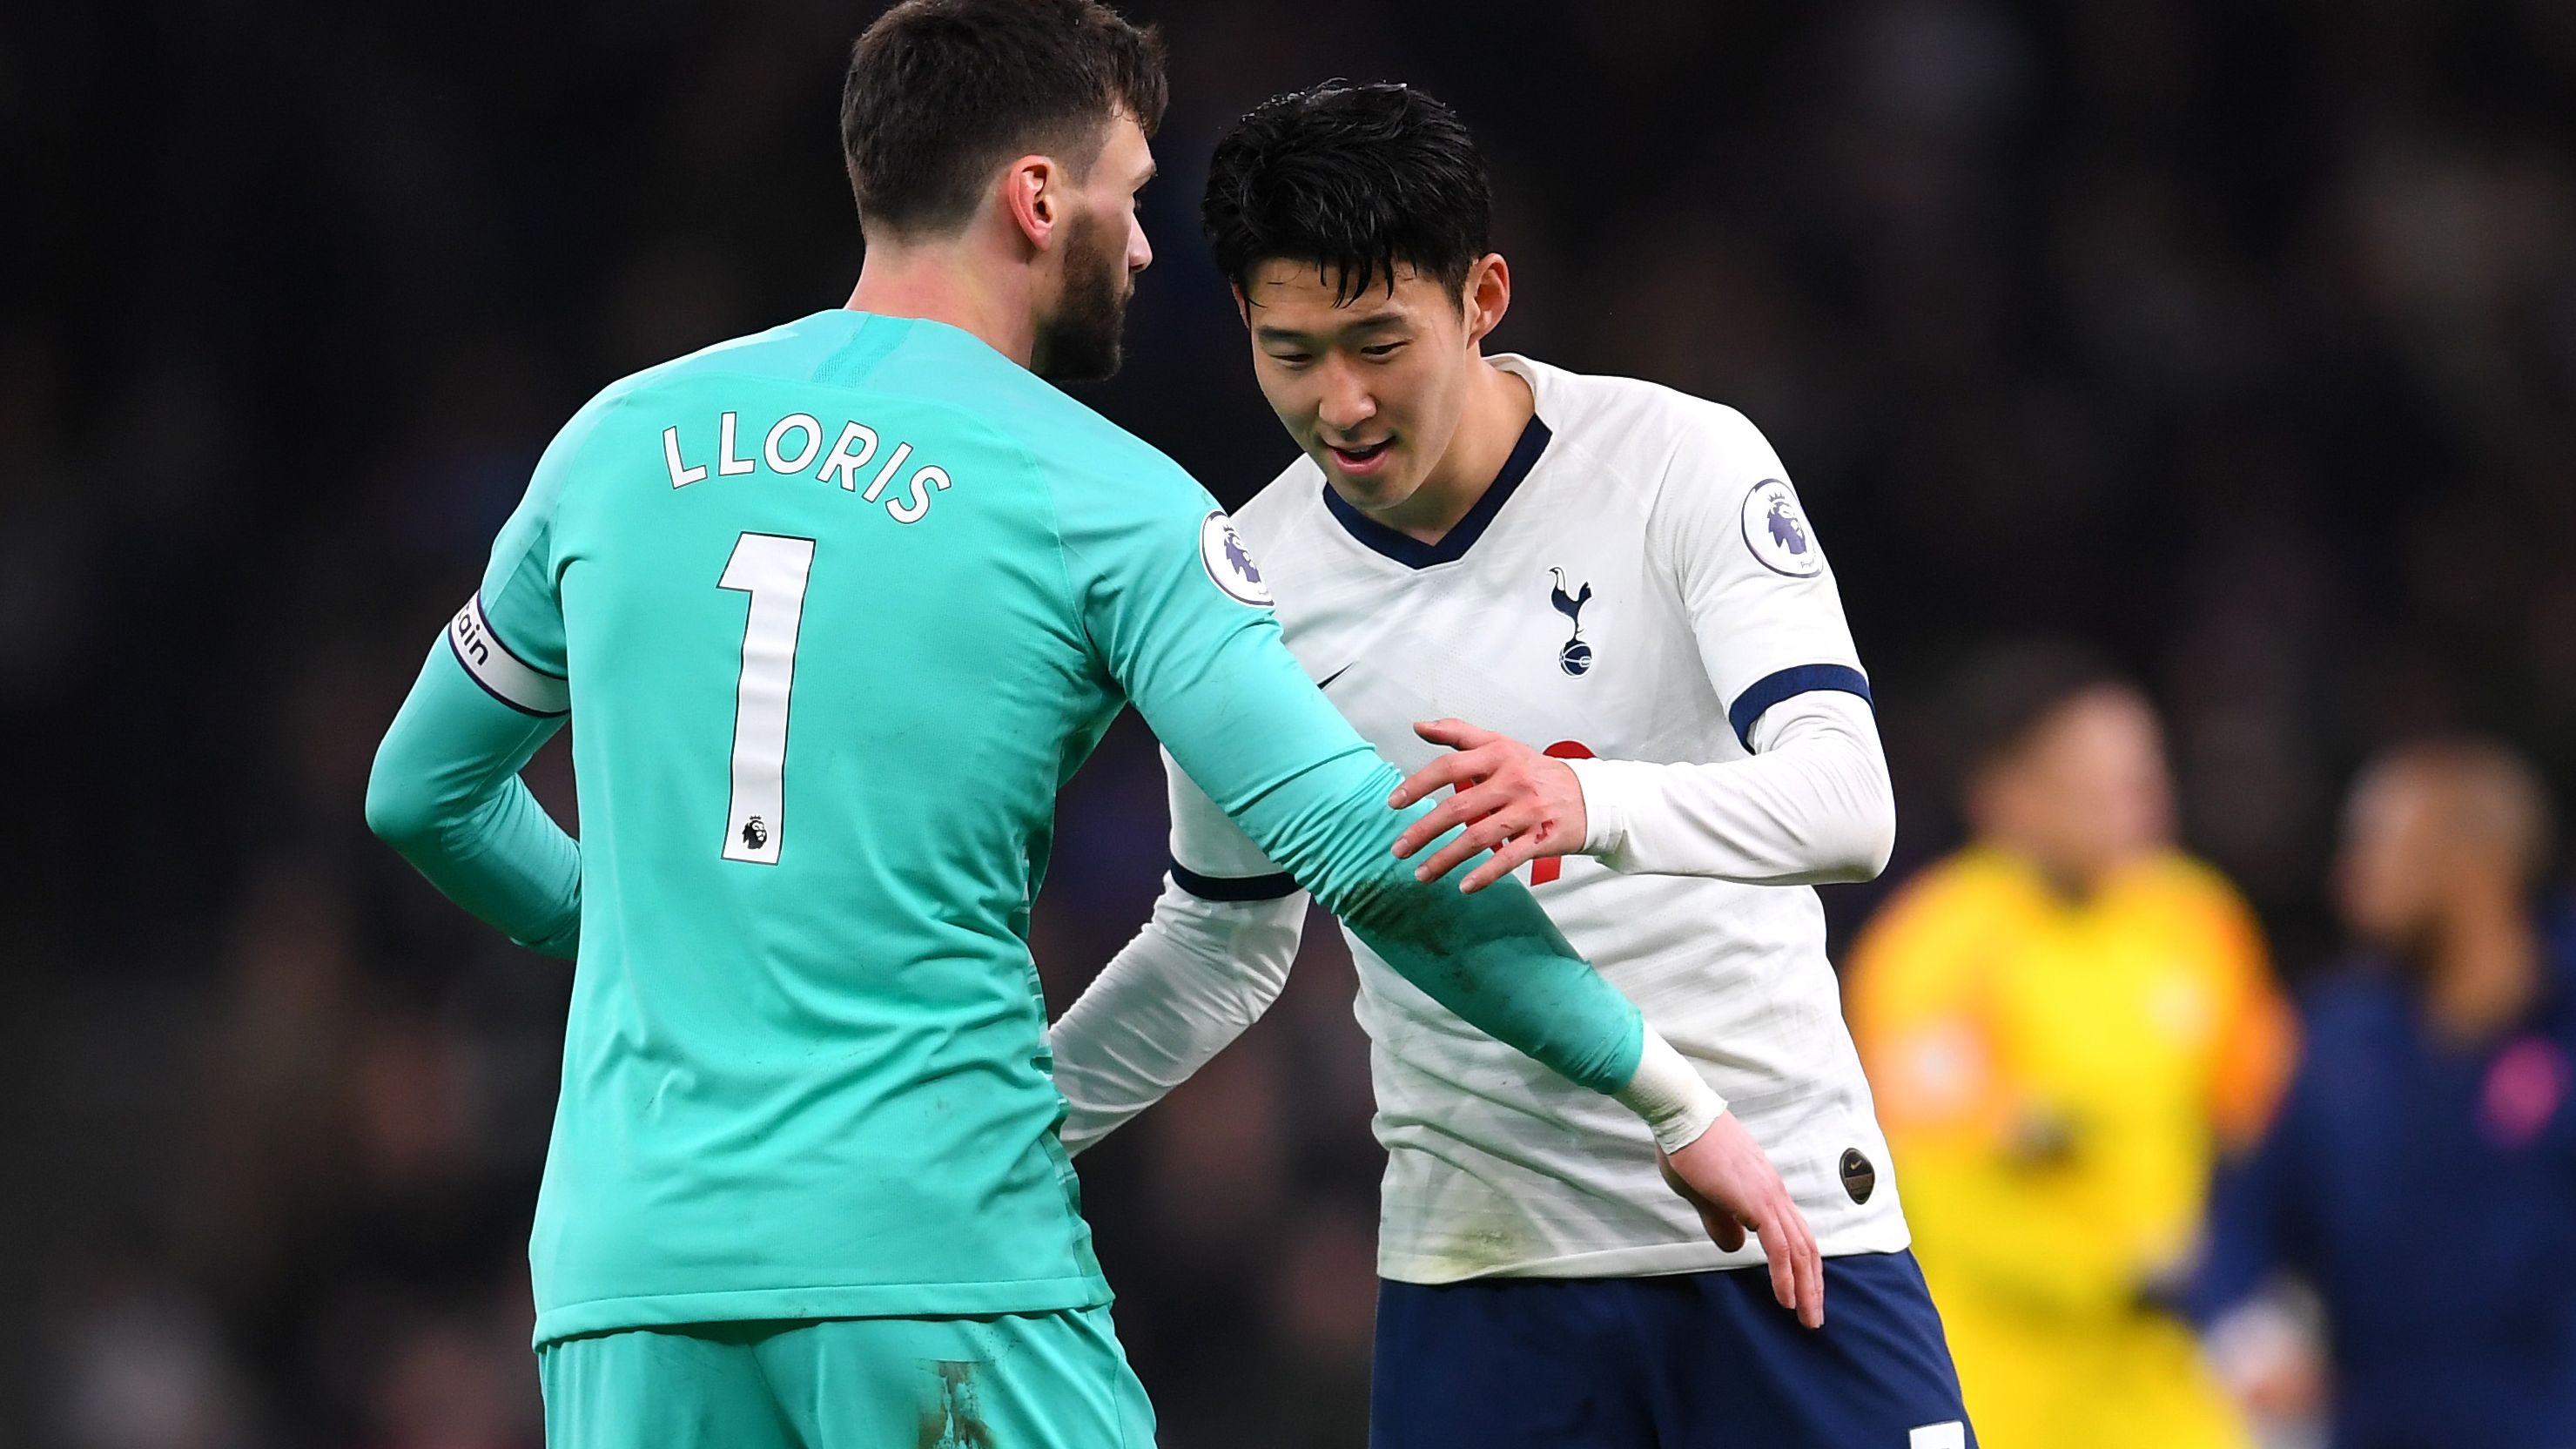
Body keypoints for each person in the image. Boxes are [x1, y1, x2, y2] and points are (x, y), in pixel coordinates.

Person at [361, 7, 1772, 1446]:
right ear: (1039, 199)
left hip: (628, 1279)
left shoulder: (613, 441)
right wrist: (1662, 1090)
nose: (1149, 244)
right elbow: (1371, 845)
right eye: (1134, 193)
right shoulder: (1104, 497)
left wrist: (638, 926)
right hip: (938, 1268)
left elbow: (423, 792)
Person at [1046, 81, 1973, 1449]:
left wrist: (1581, 799)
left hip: (1781, 1227)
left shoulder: (1680, 465)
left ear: (1481, 297)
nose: (1340, 404)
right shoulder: (1247, 582)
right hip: (1486, 1275)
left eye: (1378, 343)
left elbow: (1847, 803)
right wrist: (1015, 1123)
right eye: (1291, 352)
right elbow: (1222, 941)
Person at [1842, 645, 2294, 1449]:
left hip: (2163, 1367)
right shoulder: (1935, 949)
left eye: (2143, 773)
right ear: (2008, 794)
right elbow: (1945, 1176)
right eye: (2101, 780)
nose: (2138, 801)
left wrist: (2246, 1291)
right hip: (1997, 1370)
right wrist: (2112, 1261)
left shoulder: (2194, 919)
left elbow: (2256, 1117)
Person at [2193, 740, 2576, 1448]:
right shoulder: (2333, 1039)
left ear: (2475, 866)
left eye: (2382, 846)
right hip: (2380, 1423)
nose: (2350, 878)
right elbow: (2248, 1212)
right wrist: (2247, 1332)